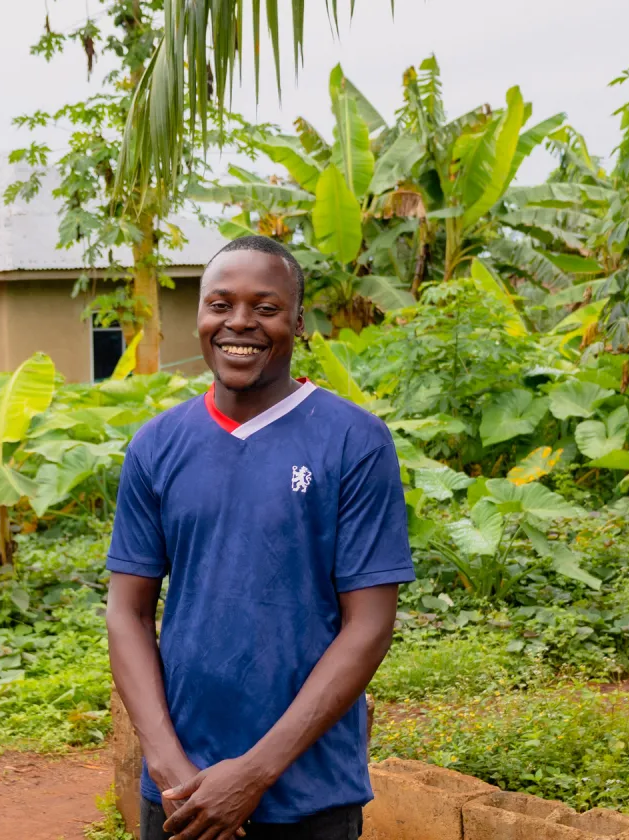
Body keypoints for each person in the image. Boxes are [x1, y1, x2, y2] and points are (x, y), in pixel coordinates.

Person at [105, 234, 414, 840]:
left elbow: (369, 625)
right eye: (220, 304)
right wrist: (169, 767)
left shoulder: (354, 441)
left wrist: (253, 773)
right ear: (199, 315)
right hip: (178, 793)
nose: (238, 323)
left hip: (308, 793)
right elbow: (128, 612)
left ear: (298, 322)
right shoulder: (157, 446)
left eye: (265, 308)